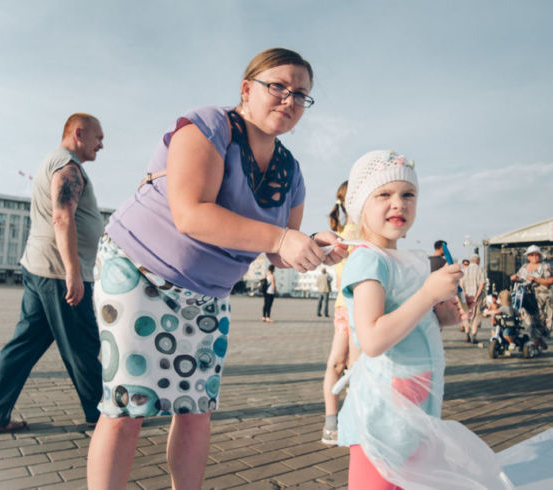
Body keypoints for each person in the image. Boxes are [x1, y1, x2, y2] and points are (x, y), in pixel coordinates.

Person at [85, 48, 347, 490]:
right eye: (278, 86)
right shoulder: (209, 125)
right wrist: (281, 238)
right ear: (247, 90)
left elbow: (279, 254)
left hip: (207, 293)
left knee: (196, 408)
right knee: (128, 406)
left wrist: (314, 248)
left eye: (301, 94)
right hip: (138, 272)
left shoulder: (291, 172)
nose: (289, 99)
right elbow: (191, 214)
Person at [336, 150, 513, 489]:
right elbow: (372, 339)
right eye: (384, 194)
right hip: (381, 418)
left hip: (414, 413)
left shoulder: (405, 259)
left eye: (408, 195)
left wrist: (440, 315)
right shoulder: (368, 262)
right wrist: (427, 295)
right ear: (360, 204)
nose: (398, 203)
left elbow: (409, 320)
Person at [0, 114, 105, 435]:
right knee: (82, 345)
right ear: (79, 133)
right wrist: (72, 271)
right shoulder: (67, 167)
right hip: (58, 273)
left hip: (42, 267)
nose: (102, 144)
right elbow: (62, 217)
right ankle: (103, 416)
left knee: (25, 344)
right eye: (99, 137)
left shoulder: (56, 162)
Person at [321, 181, 361, 445]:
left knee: (349, 365)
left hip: (359, 305)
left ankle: (343, 421)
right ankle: (334, 422)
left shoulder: (360, 232)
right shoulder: (347, 234)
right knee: (343, 364)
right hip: (347, 306)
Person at [511, 244, 552, 335]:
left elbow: (550, 280)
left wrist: (536, 279)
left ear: (540, 256)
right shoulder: (524, 267)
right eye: (531, 255)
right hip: (526, 296)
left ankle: (537, 340)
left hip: (541, 297)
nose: (534, 257)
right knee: (527, 317)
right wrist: (515, 278)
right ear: (528, 256)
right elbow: (519, 278)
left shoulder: (545, 266)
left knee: (539, 320)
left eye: (536, 254)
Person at [460, 253, 486, 344]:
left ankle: (467, 333)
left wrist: (464, 294)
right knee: (476, 315)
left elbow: (461, 285)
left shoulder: (465, 270)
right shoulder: (480, 269)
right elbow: (482, 284)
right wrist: (476, 297)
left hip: (466, 297)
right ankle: (473, 335)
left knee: (466, 314)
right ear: (478, 261)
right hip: (476, 297)